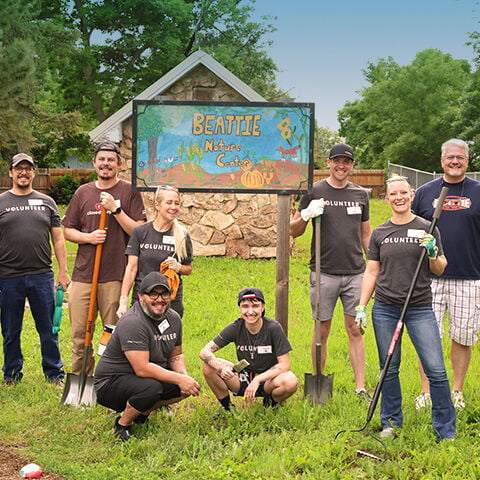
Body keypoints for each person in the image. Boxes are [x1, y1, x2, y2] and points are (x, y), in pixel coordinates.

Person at [355, 176, 456, 440]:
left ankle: (445, 429)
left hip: (420, 307)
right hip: (386, 308)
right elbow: (372, 271)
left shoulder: (427, 227)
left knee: (435, 368)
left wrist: (433, 253)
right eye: (393, 194)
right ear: (386, 199)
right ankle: (390, 422)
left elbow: (440, 267)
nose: (399, 197)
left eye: (403, 193)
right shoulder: (380, 233)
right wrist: (362, 306)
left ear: (411, 196)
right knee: (389, 366)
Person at [290, 143, 371, 398]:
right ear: (328, 162)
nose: (341, 166)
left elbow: (366, 235)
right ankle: (318, 384)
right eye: (337, 161)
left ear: (352, 165)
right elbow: (293, 230)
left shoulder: (361, 194)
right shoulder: (313, 190)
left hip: (356, 272)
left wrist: (376, 267)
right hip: (323, 272)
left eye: (346, 162)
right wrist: (306, 215)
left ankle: (360, 387)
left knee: (355, 329)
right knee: (322, 330)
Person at [62, 142, 146, 376]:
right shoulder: (83, 192)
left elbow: (138, 232)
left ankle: (111, 381)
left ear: (119, 164)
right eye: (102, 159)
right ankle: (81, 379)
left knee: (114, 335)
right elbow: (68, 230)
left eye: (111, 160)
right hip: (83, 276)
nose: (106, 164)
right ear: (94, 163)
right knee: (80, 334)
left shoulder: (130, 191)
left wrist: (116, 210)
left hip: (114, 276)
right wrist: (88, 237)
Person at [412, 138, 480, 410]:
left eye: (460, 157)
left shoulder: (478, 191)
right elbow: (410, 229)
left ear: (467, 161)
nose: (455, 161)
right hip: (429, 279)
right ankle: (426, 392)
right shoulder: (426, 192)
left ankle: (456, 391)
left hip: (470, 277)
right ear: (441, 161)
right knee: (427, 336)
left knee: (462, 337)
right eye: (450, 157)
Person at [94, 271, 200, 441]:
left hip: (144, 377)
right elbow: (142, 368)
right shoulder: (133, 321)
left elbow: (176, 355)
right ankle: (122, 424)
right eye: (153, 294)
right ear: (141, 296)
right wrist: (179, 379)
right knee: (151, 388)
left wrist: (184, 376)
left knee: (183, 387)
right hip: (111, 383)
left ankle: (141, 413)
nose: (160, 299)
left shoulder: (174, 319)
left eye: (164, 293)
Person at [0, 153, 70, 386]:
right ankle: (11, 374)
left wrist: (63, 271)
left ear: (33, 172)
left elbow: (58, 240)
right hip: (8, 277)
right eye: (18, 168)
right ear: (10, 172)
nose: (23, 172)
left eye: (27, 168)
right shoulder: (1, 202)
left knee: (49, 329)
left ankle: (54, 374)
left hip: (42, 275)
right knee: (10, 331)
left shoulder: (46, 202)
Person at [199, 287, 298, 412]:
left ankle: (270, 404)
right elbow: (204, 352)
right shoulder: (235, 327)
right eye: (245, 306)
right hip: (243, 375)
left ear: (262, 308)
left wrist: (258, 380)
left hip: (268, 379)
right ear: (239, 308)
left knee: (290, 380)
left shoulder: (273, 328)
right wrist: (221, 368)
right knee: (209, 366)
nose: (250, 312)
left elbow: (284, 364)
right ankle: (227, 408)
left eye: (255, 306)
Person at [117, 185, 193, 319]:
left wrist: (178, 267)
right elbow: (131, 269)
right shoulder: (140, 232)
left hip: (170, 303)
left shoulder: (182, 235)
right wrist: (123, 302)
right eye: (169, 203)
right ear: (157, 205)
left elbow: (188, 269)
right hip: (143, 300)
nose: (173, 207)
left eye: (177, 203)